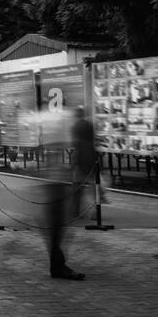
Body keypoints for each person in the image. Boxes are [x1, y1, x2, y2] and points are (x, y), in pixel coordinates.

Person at [43, 107, 95, 281]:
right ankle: (58, 267)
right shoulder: (64, 129)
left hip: (55, 184)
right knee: (56, 229)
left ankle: (57, 266)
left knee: (56, 230)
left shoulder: (57, 128)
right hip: (54, 185)